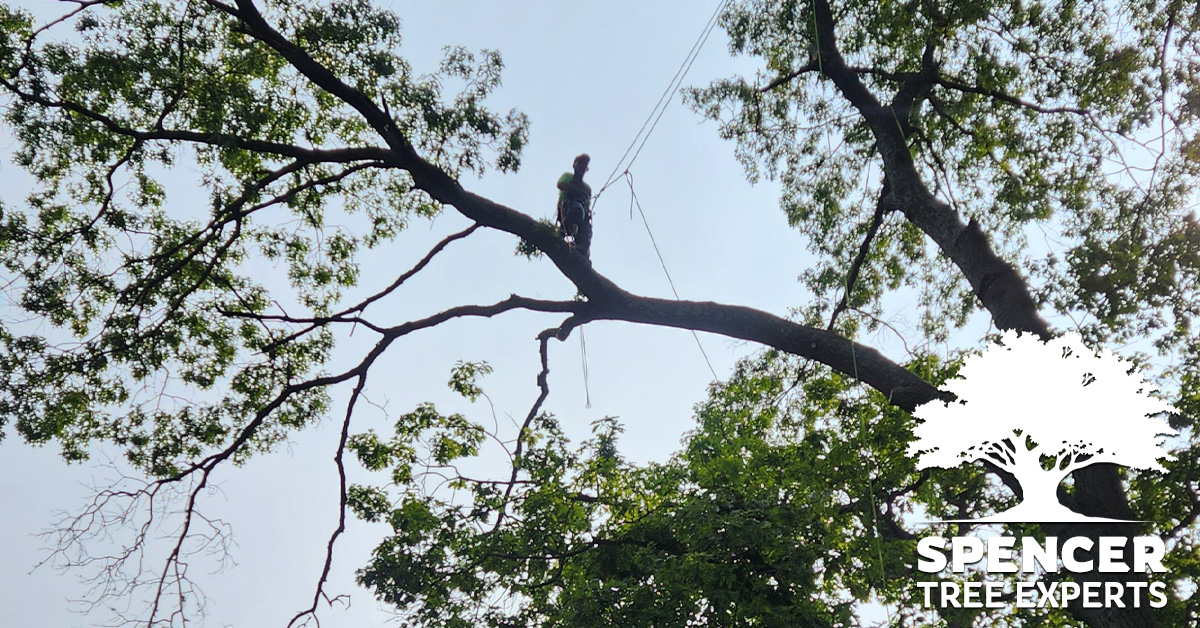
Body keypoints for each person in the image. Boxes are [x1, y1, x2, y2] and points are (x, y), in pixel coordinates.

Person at [556, 153, 593, 259]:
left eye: (584, 165)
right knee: (577, 210)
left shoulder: (587, 188)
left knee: (587, 230)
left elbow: (587, 203)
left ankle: (582, 251)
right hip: (567, 208)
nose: (582, 166)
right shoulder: (568, 176)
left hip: (582, 213)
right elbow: (561, 184)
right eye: (580, 163)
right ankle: (562, 231)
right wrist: (577, 190)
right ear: (574, 165)